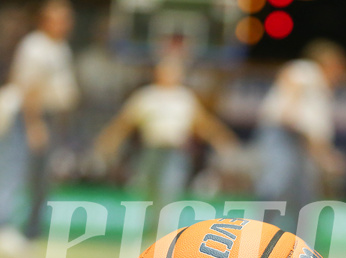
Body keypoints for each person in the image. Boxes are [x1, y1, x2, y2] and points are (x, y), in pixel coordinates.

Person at [0, 0, 78, 253]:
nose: (66, 23)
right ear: (45, 20)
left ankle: (15, 227)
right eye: (60, 18)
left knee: (32, 175)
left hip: (45, 116)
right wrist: (35, 124)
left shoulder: (60, 48)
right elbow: (28, 87)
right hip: (25, 116)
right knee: (10, 169)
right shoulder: (36, 46)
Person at [96, 57, 239, 231]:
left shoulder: (184, 98)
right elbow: (124, 123)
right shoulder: (147, 96)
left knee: (169, 187)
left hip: (175, 151)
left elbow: (203, 123)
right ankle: (150, 226)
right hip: (151, 150)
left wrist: (221, 139)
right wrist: (109, 141)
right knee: (148, 187)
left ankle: (163, 229)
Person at [255, 40, 346, 231]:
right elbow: (291, 81)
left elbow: (315, 131)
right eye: (338, 66)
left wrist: (325, 155)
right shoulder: (309, 70)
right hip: (283, 134)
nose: (342, 72)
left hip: (302, 141)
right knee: (277, 182)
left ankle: (299, 241)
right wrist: (291, 106)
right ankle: (259, 233)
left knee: (304, 194)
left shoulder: (324, 91)